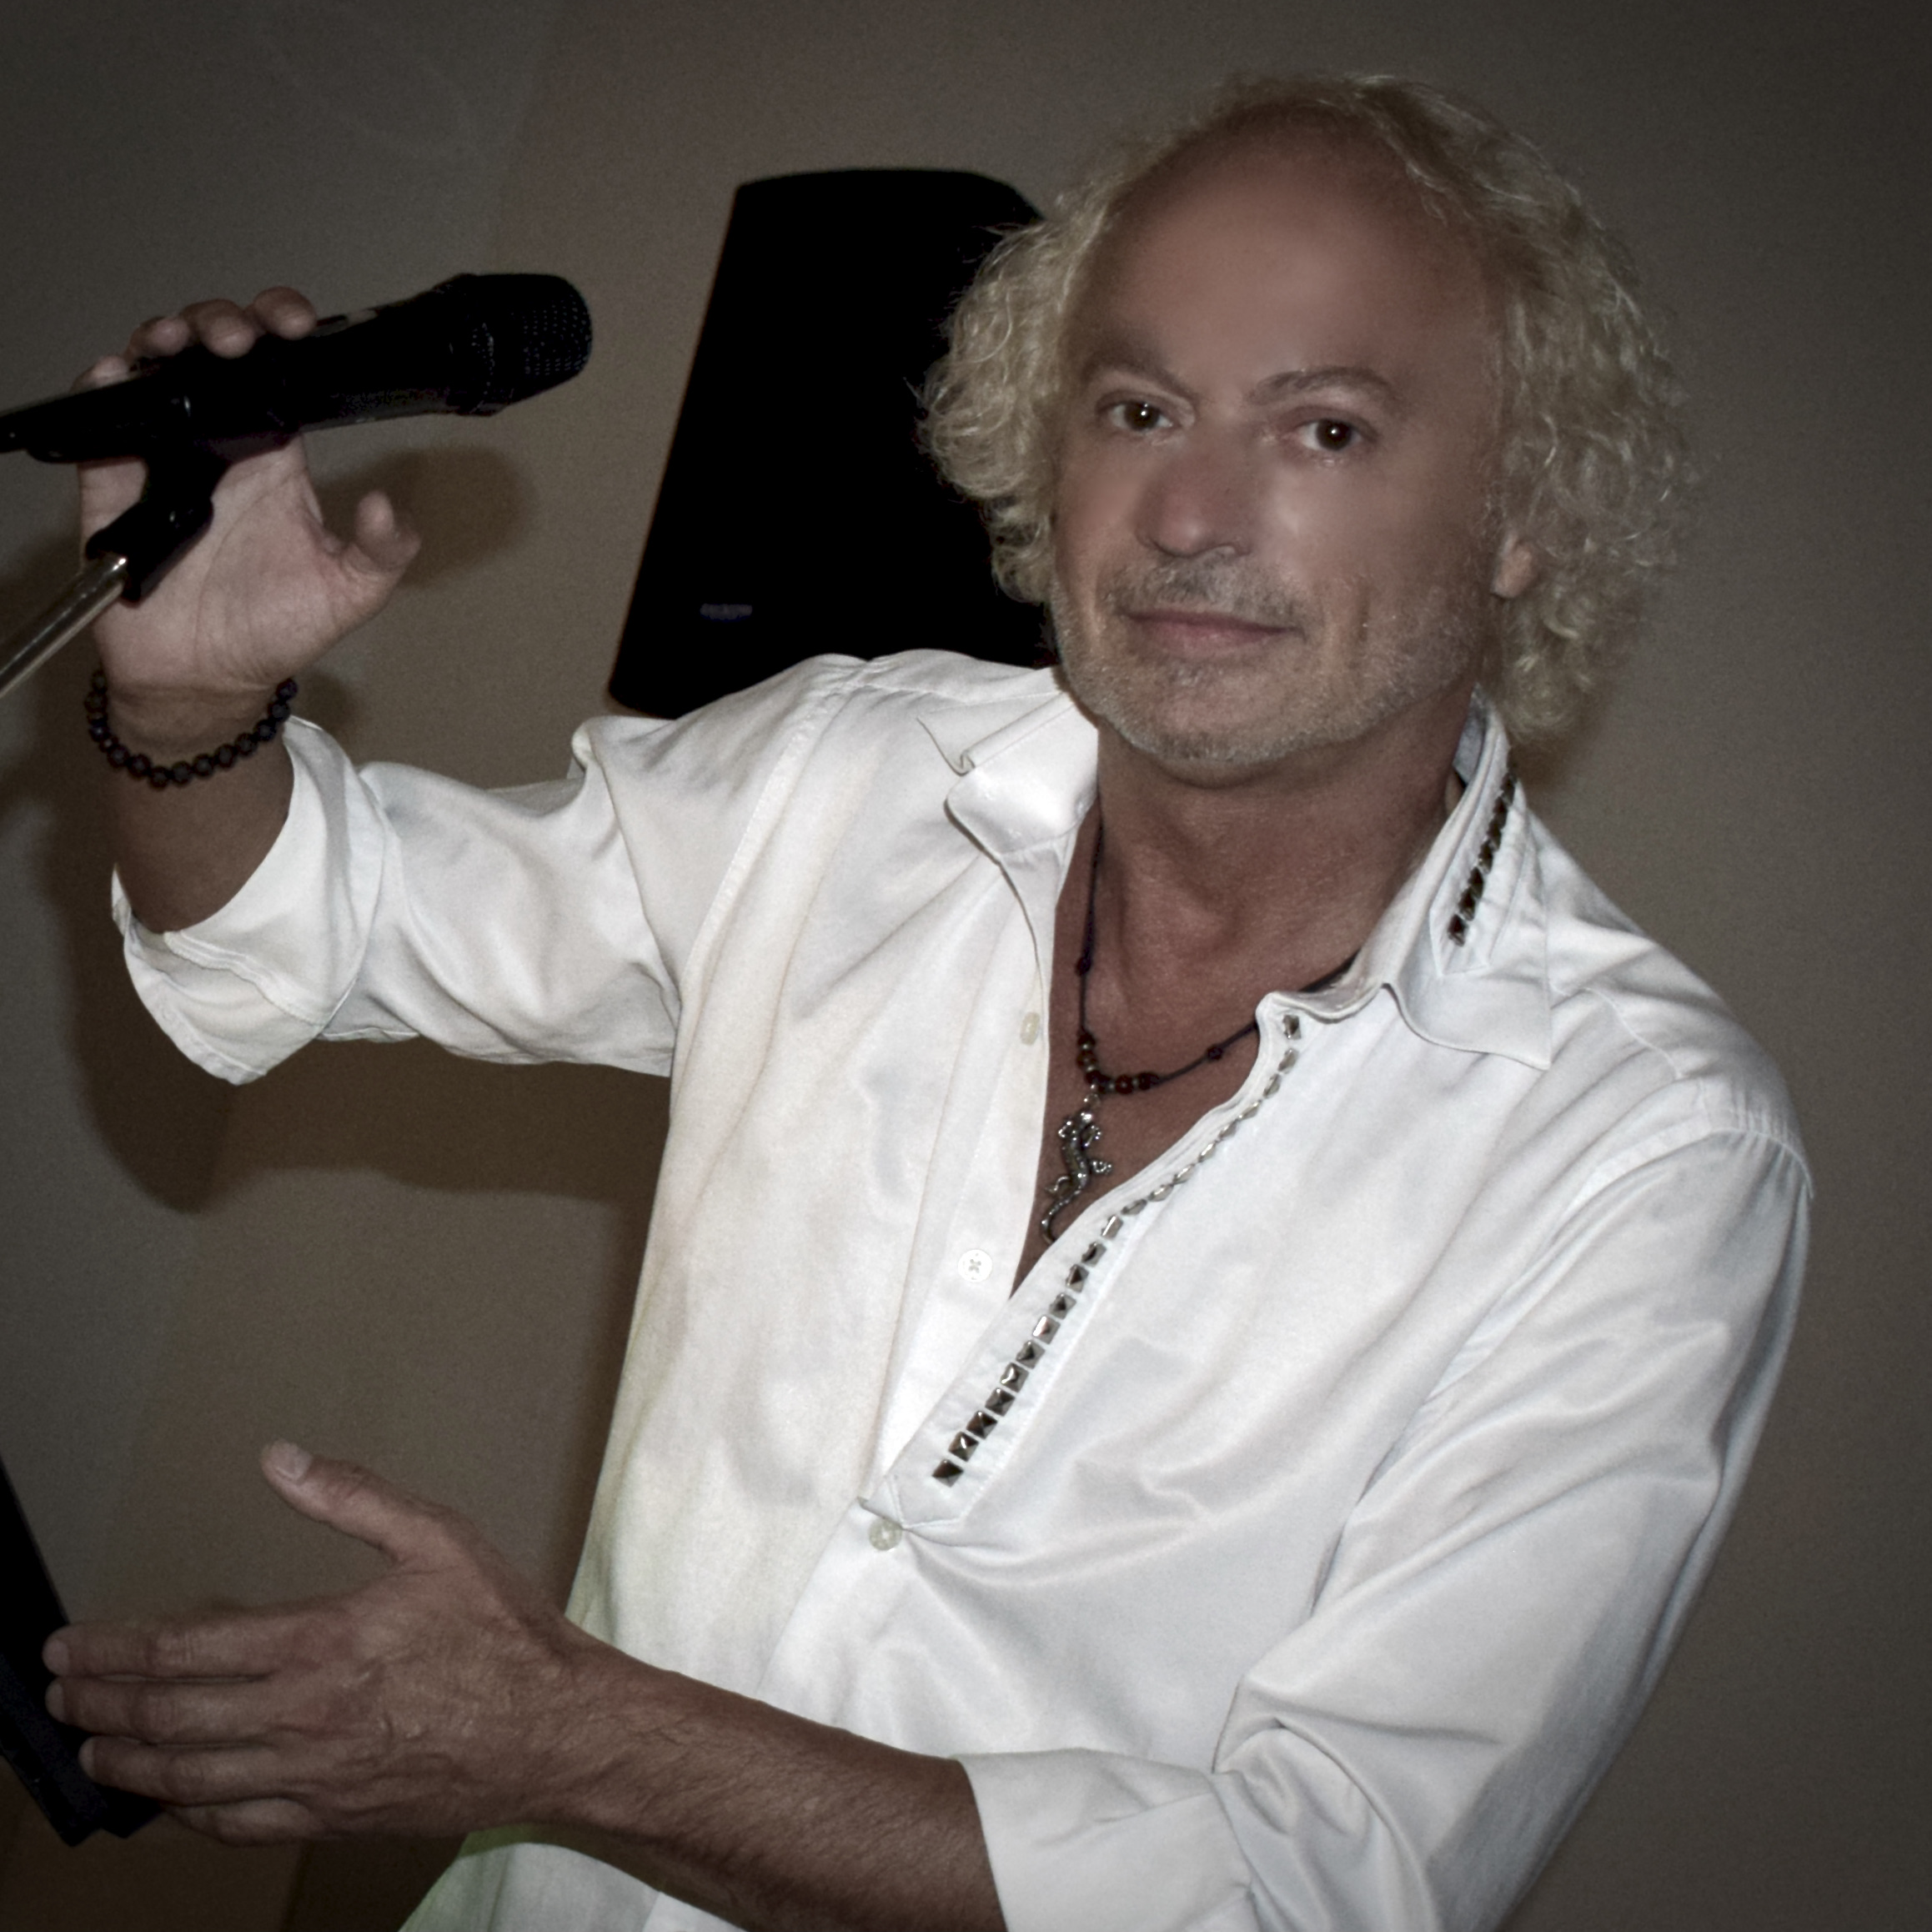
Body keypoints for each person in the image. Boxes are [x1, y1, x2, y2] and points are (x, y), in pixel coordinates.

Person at [45, 75, 1807, 1932]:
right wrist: (189, 706)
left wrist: (563, 1740)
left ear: (1523, 510)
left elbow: (1309, 1890)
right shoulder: (849, 775)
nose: (1190, 513)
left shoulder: (1640, 1149)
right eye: (1137, 409)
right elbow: (319, 923)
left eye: (1324, 428)